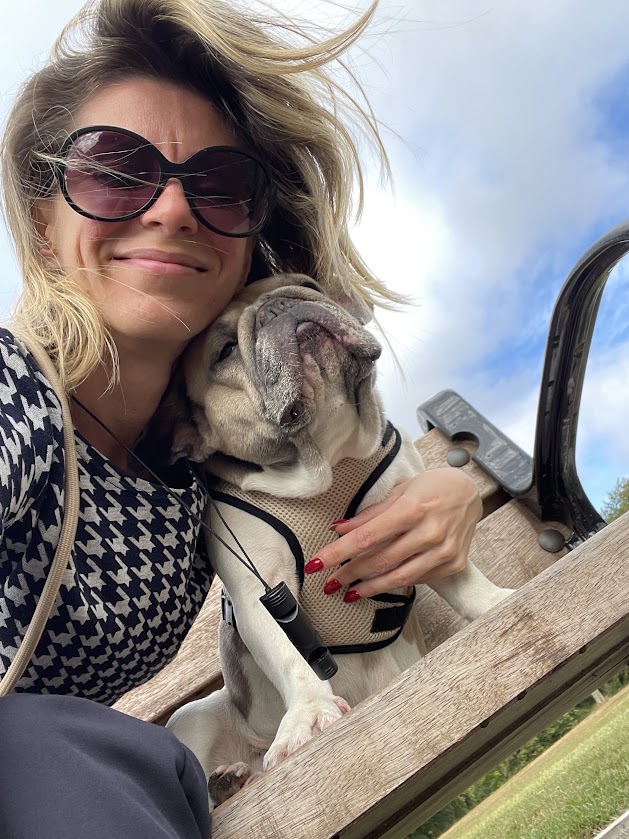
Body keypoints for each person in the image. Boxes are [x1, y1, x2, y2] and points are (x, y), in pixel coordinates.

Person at [0, 0, 483, 836]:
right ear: (45, 224)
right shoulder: (15, 390)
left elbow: (336, 470)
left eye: (220, 186)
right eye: (116, 170)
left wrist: (449, 484)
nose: (175, 208)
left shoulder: (188, 471)